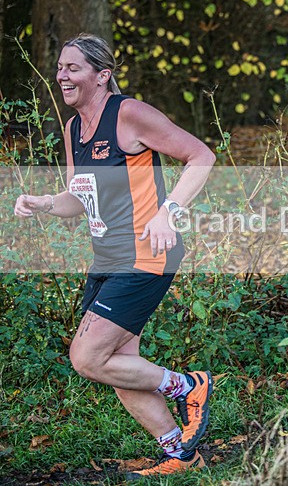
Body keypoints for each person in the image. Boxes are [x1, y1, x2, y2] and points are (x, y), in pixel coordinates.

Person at [14, 34, 217, 479]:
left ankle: (188, 386)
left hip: (146, 254)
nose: (62, 76)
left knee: (87, 356)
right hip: (107, 257)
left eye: (73, 68)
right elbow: (77, 197)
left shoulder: (127, 114)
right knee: (119, 363)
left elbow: (201, 155)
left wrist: (171, 211)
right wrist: (43, 203)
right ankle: (180, 454)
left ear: (102, 75)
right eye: (61, 68)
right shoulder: (72, 129)